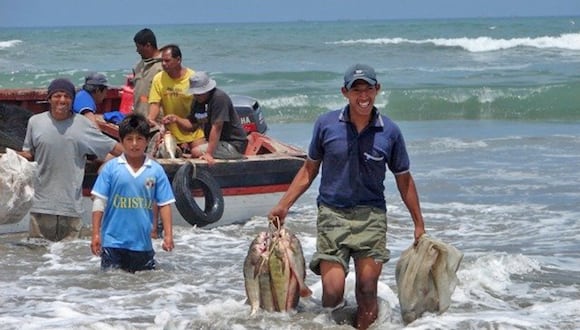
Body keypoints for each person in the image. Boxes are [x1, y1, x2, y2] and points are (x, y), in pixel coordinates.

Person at [268, 64, 426, 330]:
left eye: (368, 89)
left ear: (378, 90)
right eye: (356, 90)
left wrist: (418, 223)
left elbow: (404, 180)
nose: (363, 96)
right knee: (332, 291)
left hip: (371, 217)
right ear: (345, 92)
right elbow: (309, 170)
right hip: (332, 214)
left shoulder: (390, 131)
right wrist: (283, 205)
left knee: (366, 290)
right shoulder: (326, 125)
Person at [18, 78, 124, 242]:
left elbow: (111, 146)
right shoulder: (35, 122)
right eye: (57, 96)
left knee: (70, 262)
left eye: (67, 96)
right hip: (41, 207)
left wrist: (142, 161)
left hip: (71, 208)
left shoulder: (82, 125)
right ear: (49, 99)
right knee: (37, 259)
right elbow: (29, 154)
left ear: (72, 100)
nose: (62, 100)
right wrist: (9, 157)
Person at [90, 113, 175, 273]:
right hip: (112, 243)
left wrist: (168, 235)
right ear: (121, 141)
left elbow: (164, 204)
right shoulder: (111, 168)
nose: (134, 144)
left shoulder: (156, 170)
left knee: (143, 290)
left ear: (147, 141)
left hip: (142, 244)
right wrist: (95, 234)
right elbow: (99, 202)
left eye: (139, 139)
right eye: (129, 139)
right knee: (112, 286)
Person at [162, 71, 247, 165]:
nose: (196, 96)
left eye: (199, 93)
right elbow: (191, 125)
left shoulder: (219, 98)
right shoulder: (197, 101)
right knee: (194, 151)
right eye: (195, 93)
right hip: (218, 143)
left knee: (195, 152)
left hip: (233, 144)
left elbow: (217, 127)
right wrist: (176, 119)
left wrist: (209, 154)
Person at [147, 44, 204, 153]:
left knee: (199, 153)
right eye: (162, 61)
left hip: (193, 130)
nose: (163, 64)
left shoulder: (192, 78)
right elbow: (155, 104)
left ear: (178, 60)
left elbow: (201, 108)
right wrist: (151, 119)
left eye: (167, 61)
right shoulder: (158, 79)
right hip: (171, 133)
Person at [132, 28, 163, 117]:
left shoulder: (163, 67)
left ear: (148, 45)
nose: (137, 51)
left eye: (138, 47)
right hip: (139, 118)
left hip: (156, 121)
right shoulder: (138, 66)